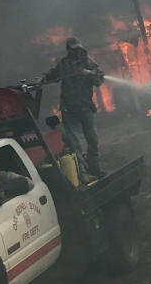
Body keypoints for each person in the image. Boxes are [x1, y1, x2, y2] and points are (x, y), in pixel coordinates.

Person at [42, 37, 105, 179]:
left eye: (78, 49)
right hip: (69, 111)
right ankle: (82, 174)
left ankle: (95, 169)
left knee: (93, 141)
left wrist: (91, 74)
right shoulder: (64, 65)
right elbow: (52, 74)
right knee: (75, 145)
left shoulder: (88, 62)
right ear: (69, 50)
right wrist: (42, 78)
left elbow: (99, 79)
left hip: (86, 109)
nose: (76, 52)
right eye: (73, 49)